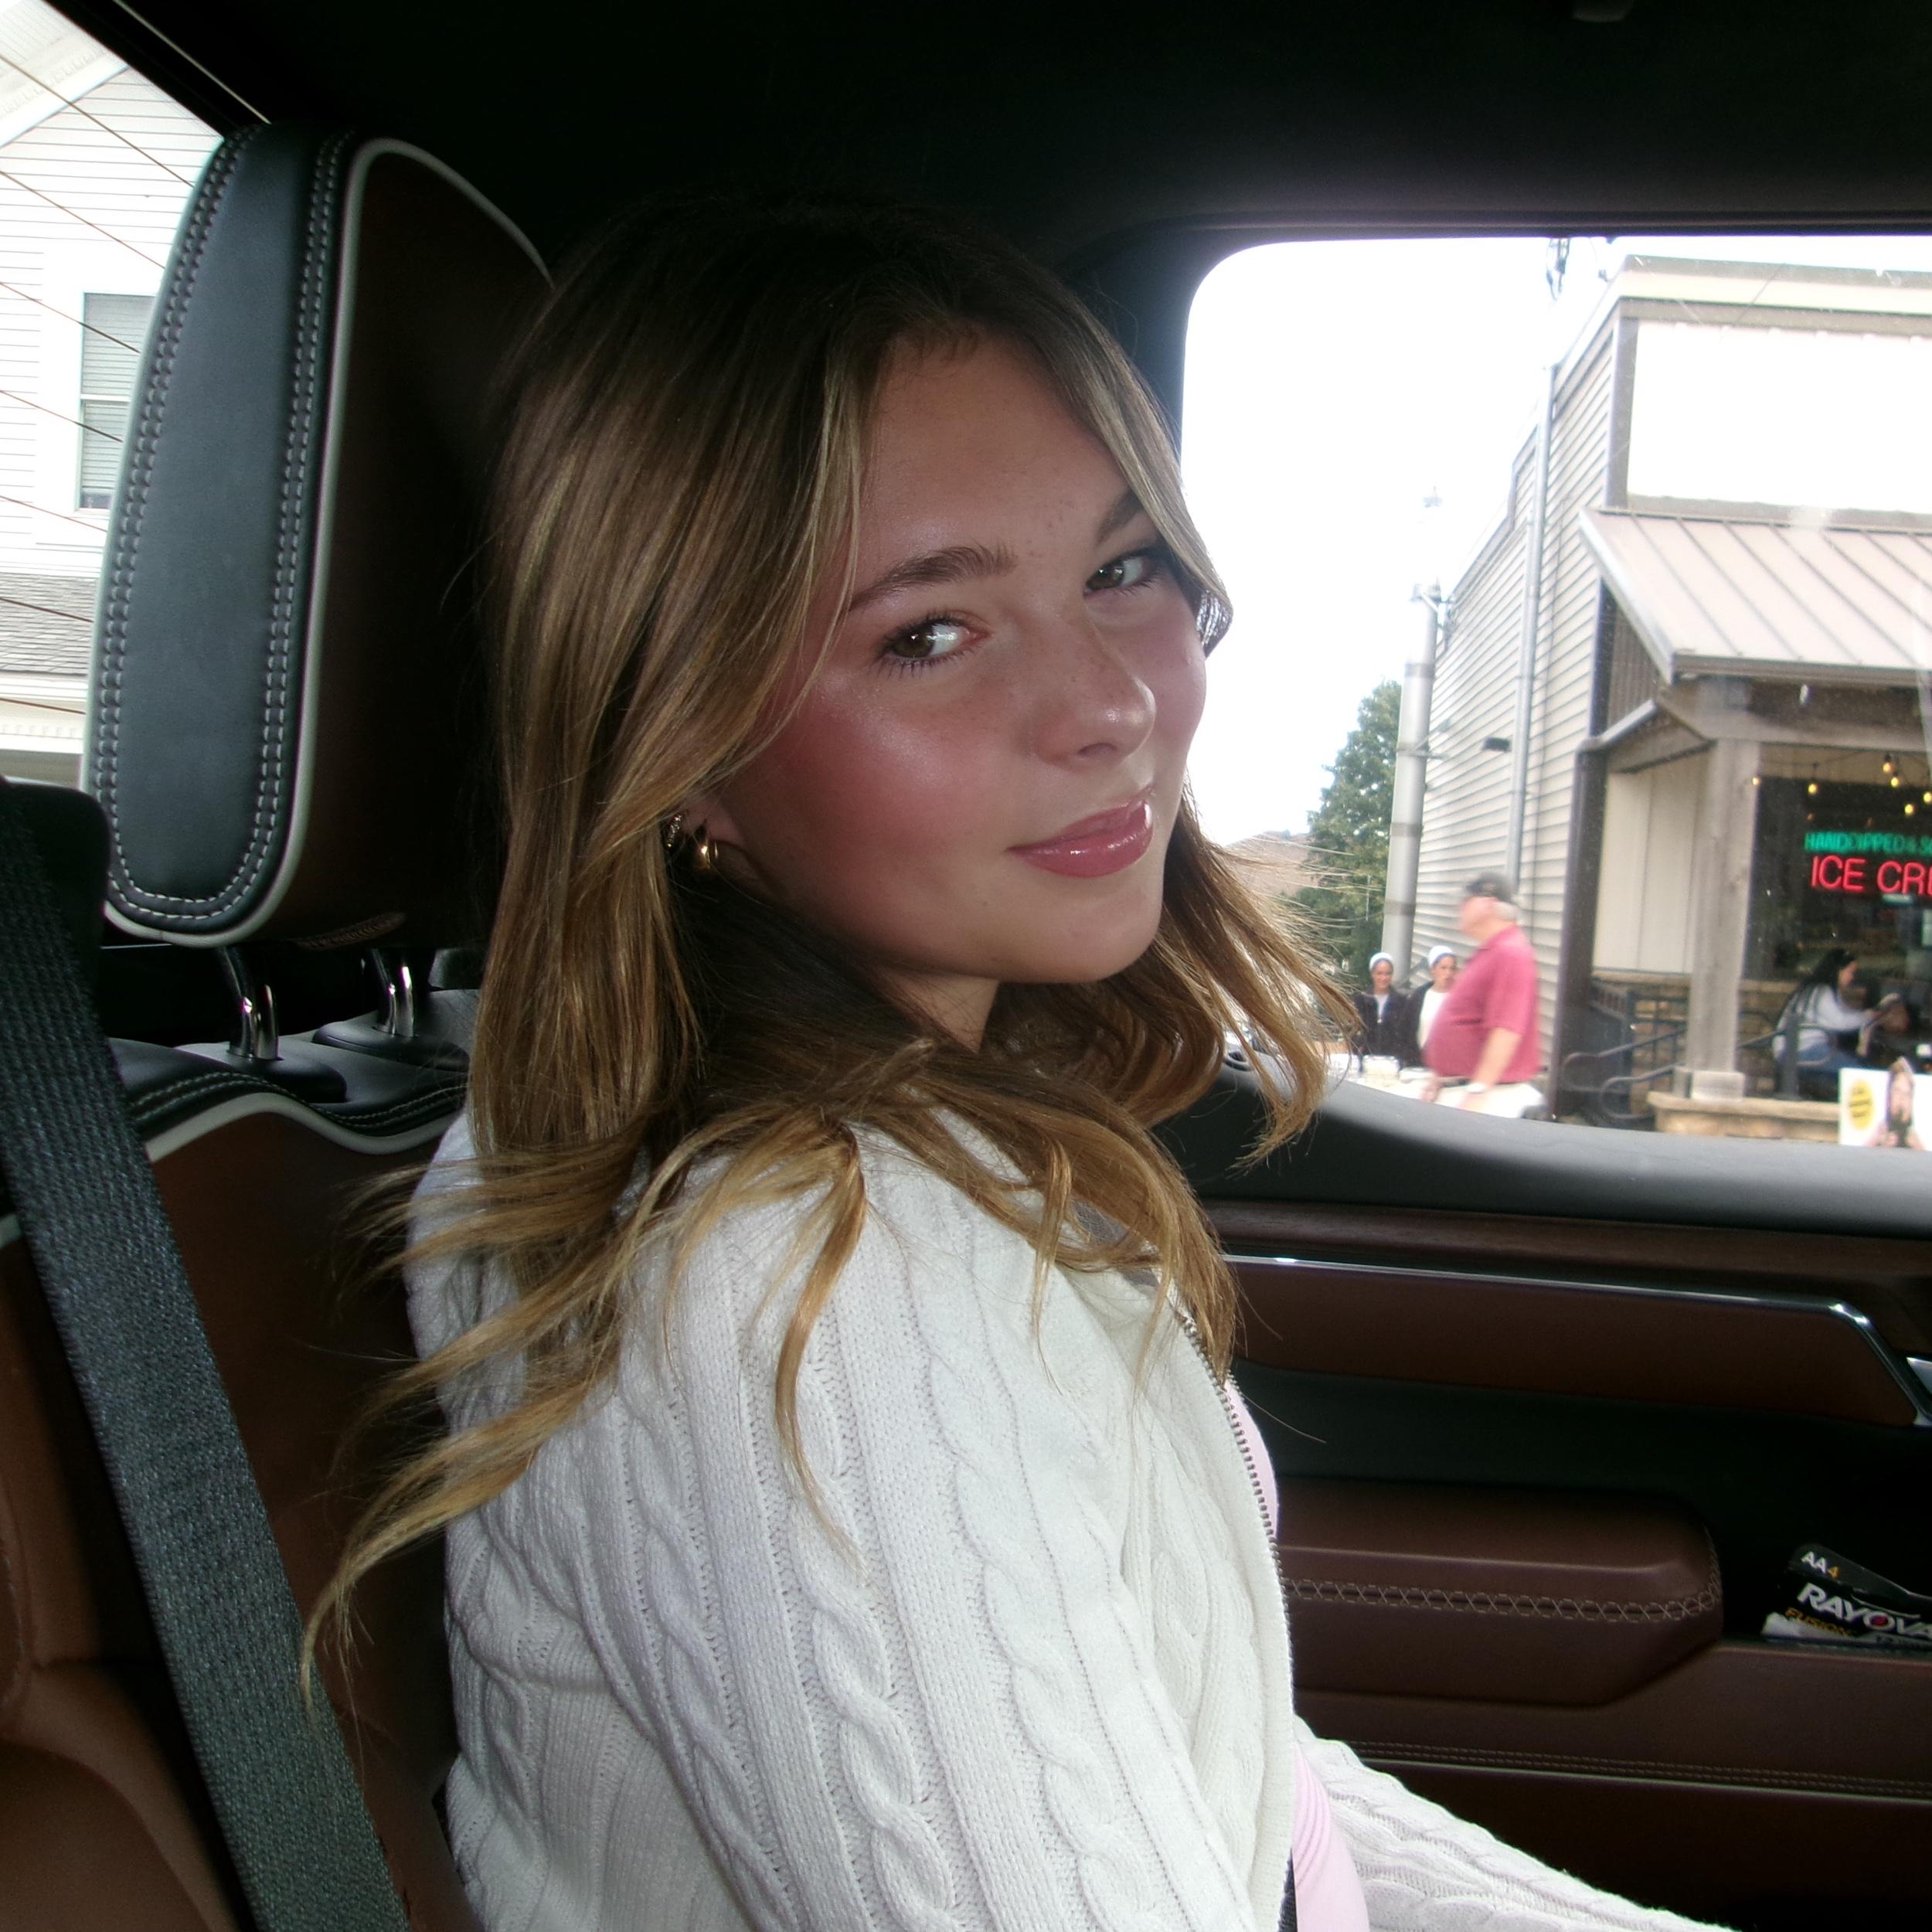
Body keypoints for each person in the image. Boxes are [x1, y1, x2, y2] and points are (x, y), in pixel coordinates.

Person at [315, 197, 1723, 1932]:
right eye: (928, 631)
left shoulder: (866, 1157)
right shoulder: (816, 1268)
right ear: (682, 748)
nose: (1109, 704)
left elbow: (1229, 1786)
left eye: (1122, 570)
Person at [1422, 873, 1545, 1116]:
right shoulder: (1492, 950)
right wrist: (1440, 1079)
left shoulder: (1511, 953)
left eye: (1465, 901)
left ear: (1487, 903)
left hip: (1491, 1100)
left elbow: (1506, 1030)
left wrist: (1478, 1091)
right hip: (1467, 1090)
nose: (1459, 908)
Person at [1774, 948, 1866, 1100]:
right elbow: (1840, 1022)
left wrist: (1867, 1016)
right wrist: (1870, 1016)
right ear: (1838, 970)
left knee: (1848, 1069)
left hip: (1799, 1051)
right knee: (1858, 1072)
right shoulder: (1822, 992)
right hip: (1802, 1051)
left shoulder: (1821, 991)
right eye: (1850, 972)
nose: (1852, 978)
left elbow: (1845, 1015)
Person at [1398, 941, 1457, 1067]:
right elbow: (1406, 1030)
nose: (1448, 973)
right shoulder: (1419, 997)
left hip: (1449, 1065)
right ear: (1433, 970)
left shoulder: (1459, 998)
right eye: (1443, 968)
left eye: (1452, 969)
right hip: (1419, 1063)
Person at [1350, 950, 1406, 1060]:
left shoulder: (1401, 1002)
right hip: (1366, 1059)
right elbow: (1352, 1031)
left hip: (1392, 1060)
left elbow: (1405, 1034)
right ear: (1372, 974)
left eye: (1388, 973)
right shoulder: (1361, 1000)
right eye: (1379, 973)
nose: (1384, 978)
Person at [1864, 1056, 1926, 1149]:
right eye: (1897, 1091)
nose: (1901, 1099)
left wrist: (1917, 1148)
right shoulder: (1878, 1135)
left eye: (1906, 1094)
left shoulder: (1915, 1142)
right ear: (1889, 1094)